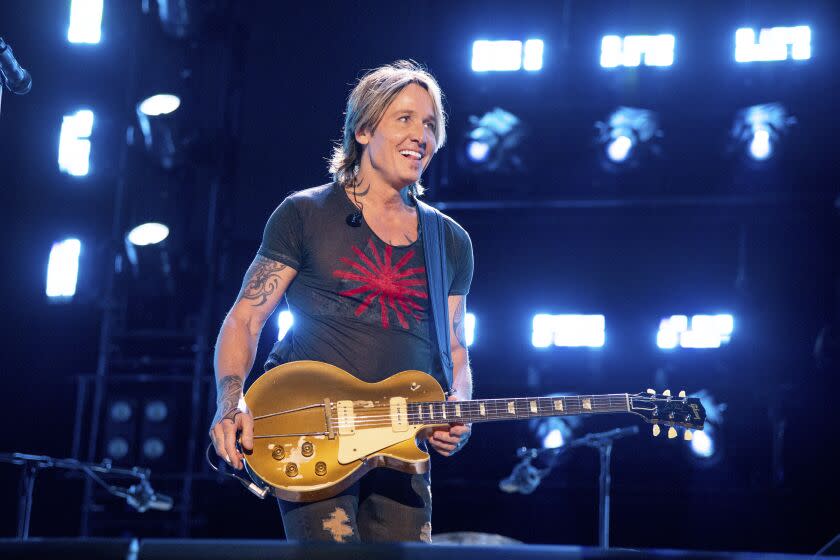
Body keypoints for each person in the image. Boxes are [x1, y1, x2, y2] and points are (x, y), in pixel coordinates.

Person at [208, 60, 474, 543]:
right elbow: (245, 320)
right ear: (364, 129)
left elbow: (455, 350)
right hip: (313, 432)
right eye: (405, 118)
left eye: (431, 124)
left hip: (402, 445)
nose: (421, 135)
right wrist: (230, 404)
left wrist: (459, 406)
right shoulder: (305, 213)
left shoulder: (449, 241)